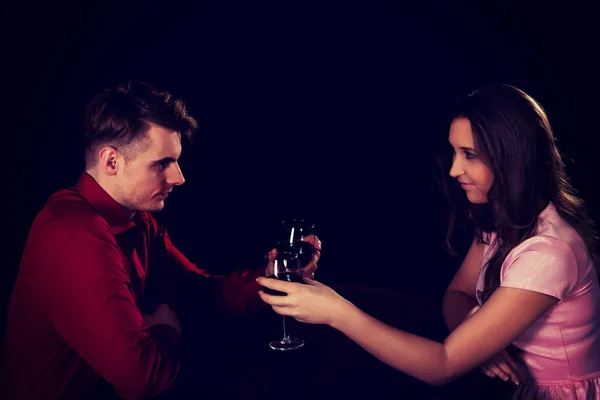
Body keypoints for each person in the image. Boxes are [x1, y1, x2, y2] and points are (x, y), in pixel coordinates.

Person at [257, 83, 600, 399]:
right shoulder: (504, 221)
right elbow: (456, 295)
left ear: (512, 158)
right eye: (454, 153)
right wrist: (480, 339)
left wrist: (335, 311)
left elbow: (443, 366)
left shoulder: (548, 254)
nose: (453, 170)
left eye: (469, 154)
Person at [0, 80, 321, 400]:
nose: (179, 177)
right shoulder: (75, 236)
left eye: (176, 161)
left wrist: (268, 276)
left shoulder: (138, 221)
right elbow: (142, 379)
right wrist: (166, 329)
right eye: (161, 164)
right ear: (111, 161)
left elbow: (199, 293)